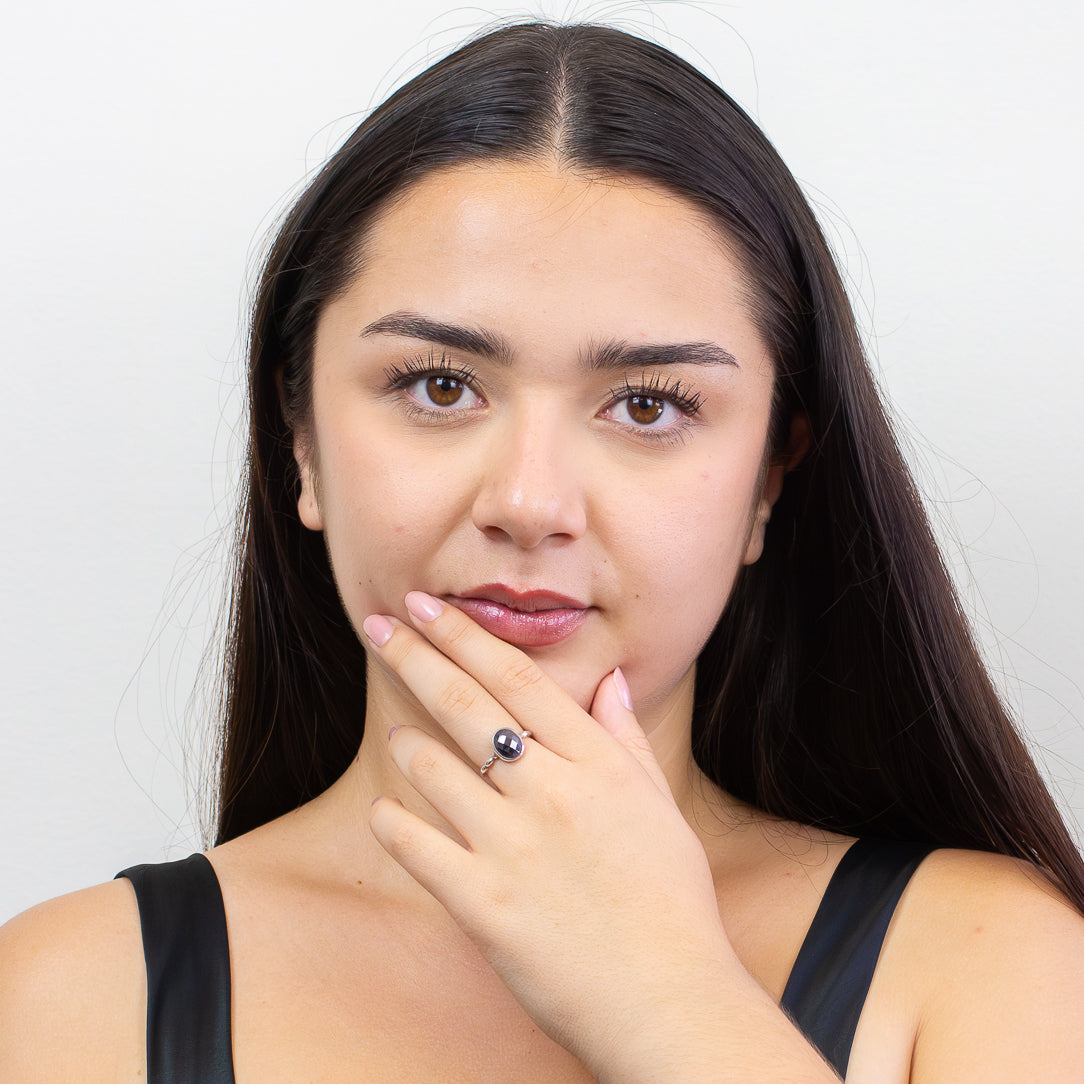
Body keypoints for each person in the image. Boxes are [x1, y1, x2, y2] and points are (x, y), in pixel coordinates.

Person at [2, 20, 1082, 1082]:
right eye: (438, 386)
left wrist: (669, 1000)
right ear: (303, 446)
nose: (529, 502)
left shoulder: (993, 968)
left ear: (767, 479)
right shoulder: (69, 997)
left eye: (649, 404)